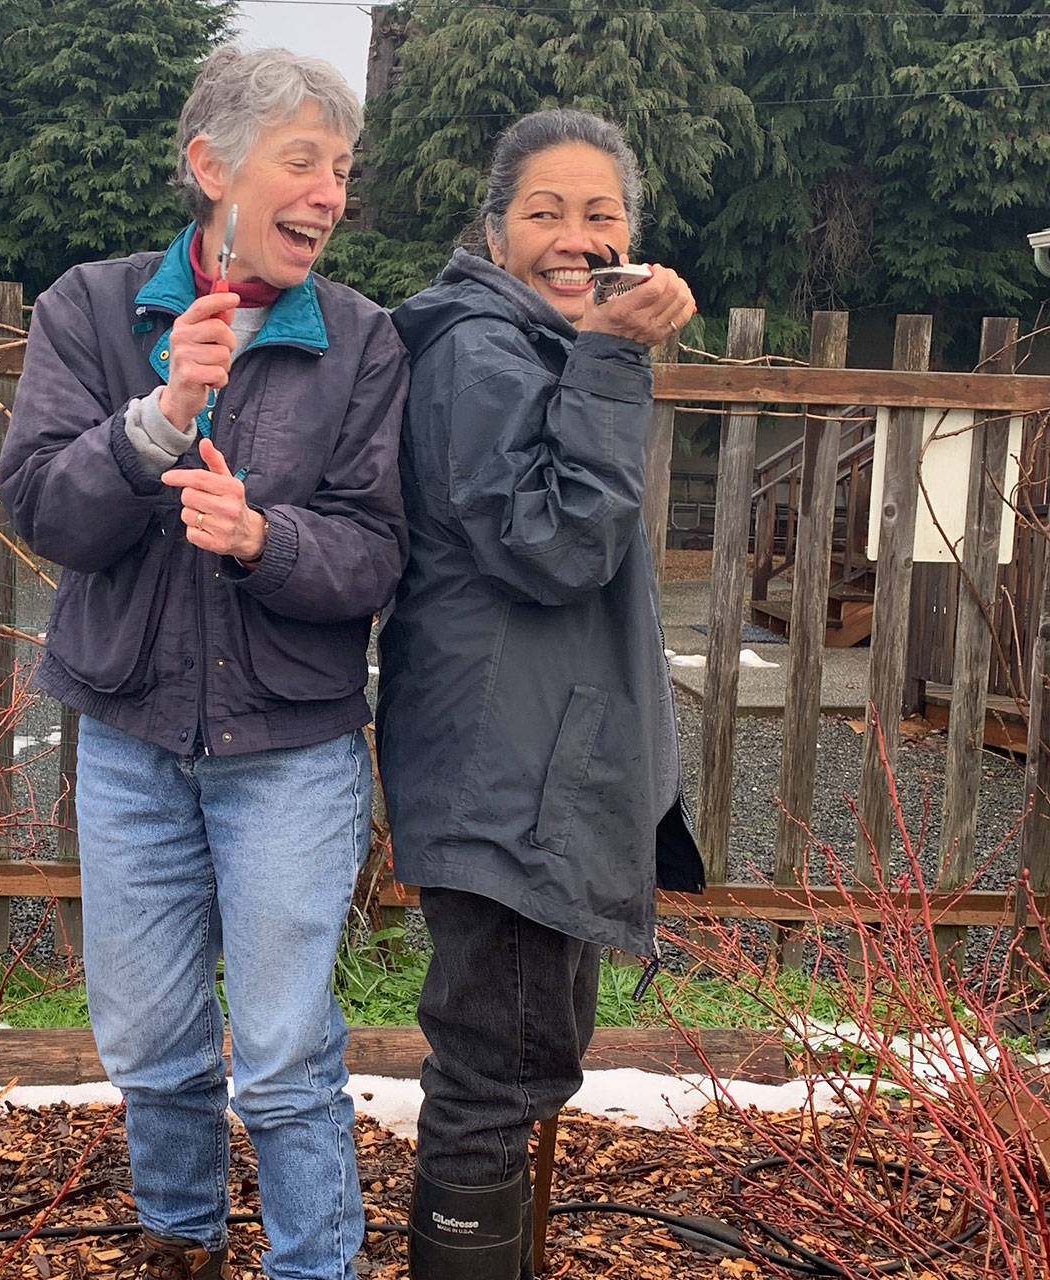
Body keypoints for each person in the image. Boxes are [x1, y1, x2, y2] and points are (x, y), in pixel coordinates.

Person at [0, 47, 408, 1280]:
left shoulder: (361, 341)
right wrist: (158, 419)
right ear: (209, 167)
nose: (328, 193)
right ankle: (178, 1242)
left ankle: (312, 1264)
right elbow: (40, 511)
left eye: (339, 169)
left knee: (281, 1049)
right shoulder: (91, 307)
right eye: (302, 161)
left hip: (290, 749)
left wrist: (264, 541)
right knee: (148, 1036)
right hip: (130, 737)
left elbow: (379, 552)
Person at [375, 109, 706, 1280]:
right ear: (493, 229)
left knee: (520, 1054)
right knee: (493, 1065)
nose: (576, 238)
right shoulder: (479, 349)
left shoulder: (538, 346)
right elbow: (558, 543)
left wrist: (604, 353)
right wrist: (616, 356)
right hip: (507, 778)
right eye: (545, 213)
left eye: (601, 215)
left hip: (532, 769)